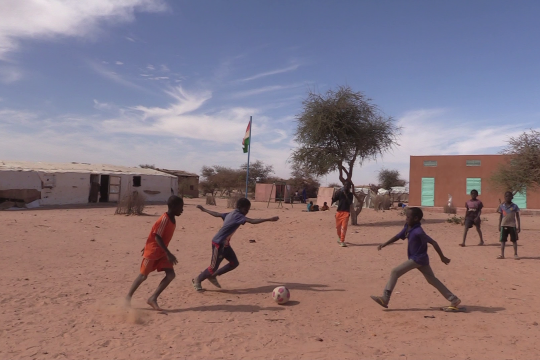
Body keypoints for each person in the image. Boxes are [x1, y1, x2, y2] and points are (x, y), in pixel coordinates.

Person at [370, 207, 461, 309]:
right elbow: (398, 236)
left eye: (408, 217)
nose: (406, 219)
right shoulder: (408, 227)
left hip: (418, 259)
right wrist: (385, 243)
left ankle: (385, 298)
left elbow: (434, 242)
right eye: (406, 216)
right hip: (421, 259)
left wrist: (442, 257)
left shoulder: (418, 231)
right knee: (432, 280)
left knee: (395, 272)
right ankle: (454, 299)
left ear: (416, 219)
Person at [192, 198, 279, 291]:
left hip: (225, 244)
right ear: (239, 207)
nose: (246, 212)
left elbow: (217, 214)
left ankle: (213, 276)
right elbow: (252, 221)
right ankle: (198, 279)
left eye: (248, 210)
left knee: (234, 263)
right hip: (218, 243)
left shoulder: (231, 214)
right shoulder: (238, 216)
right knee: (213, 267)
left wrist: (204, 209)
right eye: (246, 210)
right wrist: (269, 219)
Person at [126, 195, 184, 311]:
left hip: (162, 252)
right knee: (143, 276)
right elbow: (157, 236)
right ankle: (127, 298)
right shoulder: (164, 219)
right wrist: (168, 253)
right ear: (172, 207)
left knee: (171, 275)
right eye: (180, 207)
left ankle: (153, 298)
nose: (182, 210)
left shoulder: (173, 218)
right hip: (153, 252)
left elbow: (155, 233)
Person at [497, 191, 521, 260]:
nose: (508, 197)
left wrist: (519, 226)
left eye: (509, 196)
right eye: (506, 196)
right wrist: (499, 225)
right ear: (504, 197)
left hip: (512, 225)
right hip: (504, 225)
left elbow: (517, 217)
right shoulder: (502, 206)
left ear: (512, 197)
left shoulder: (514, 206)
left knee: (514, 240)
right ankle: (502, 254)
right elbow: (501, 216)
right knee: (503, 241)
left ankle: (515, 254)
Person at [331, 181, 354, 247]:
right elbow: (334, 199)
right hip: (339, 212)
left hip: (346, 212)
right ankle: (339, 238)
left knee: (344, 227)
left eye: (347, 185)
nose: (346, 186)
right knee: (338, 228)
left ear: (349, 187)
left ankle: (342, 241)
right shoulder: (340, 193)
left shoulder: (350, 195)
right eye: (345, 185)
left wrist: (345, 194)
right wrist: (335, 193)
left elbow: (349, 202)